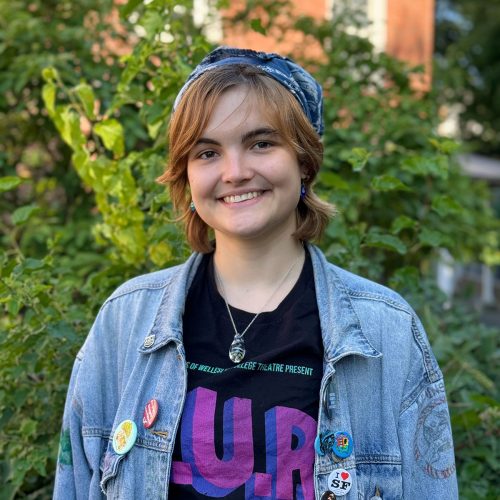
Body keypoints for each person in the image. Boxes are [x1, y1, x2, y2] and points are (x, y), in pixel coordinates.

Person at [53, 47, 458, 499]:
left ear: (303, 161)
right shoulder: (123, 325)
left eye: (261, 143)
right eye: (207, 152)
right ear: (186, 177)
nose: (235, 172)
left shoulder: (387, 332)